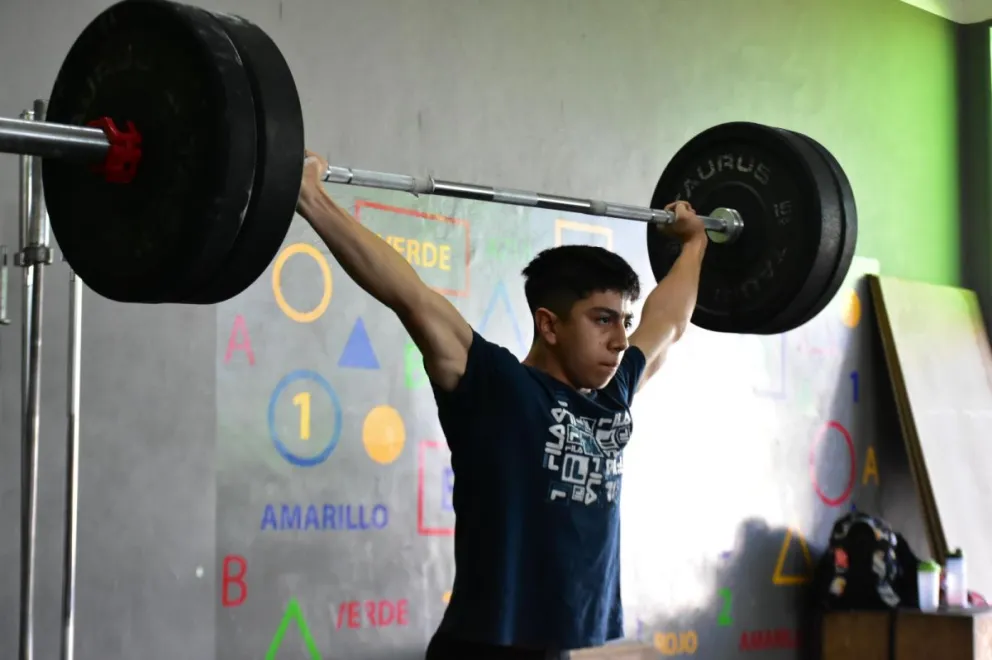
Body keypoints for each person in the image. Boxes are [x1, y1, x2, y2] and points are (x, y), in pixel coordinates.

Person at [296, 151, 709, 659]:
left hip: (552, 648)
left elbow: (669, 322)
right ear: (550, 324)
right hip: (481, 649)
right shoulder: (497, 388)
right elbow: (410, 296)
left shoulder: (612, 396)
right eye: (603, 320)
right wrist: (310, 195)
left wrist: (695, 242)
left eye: (624, 320)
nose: (621, 339)